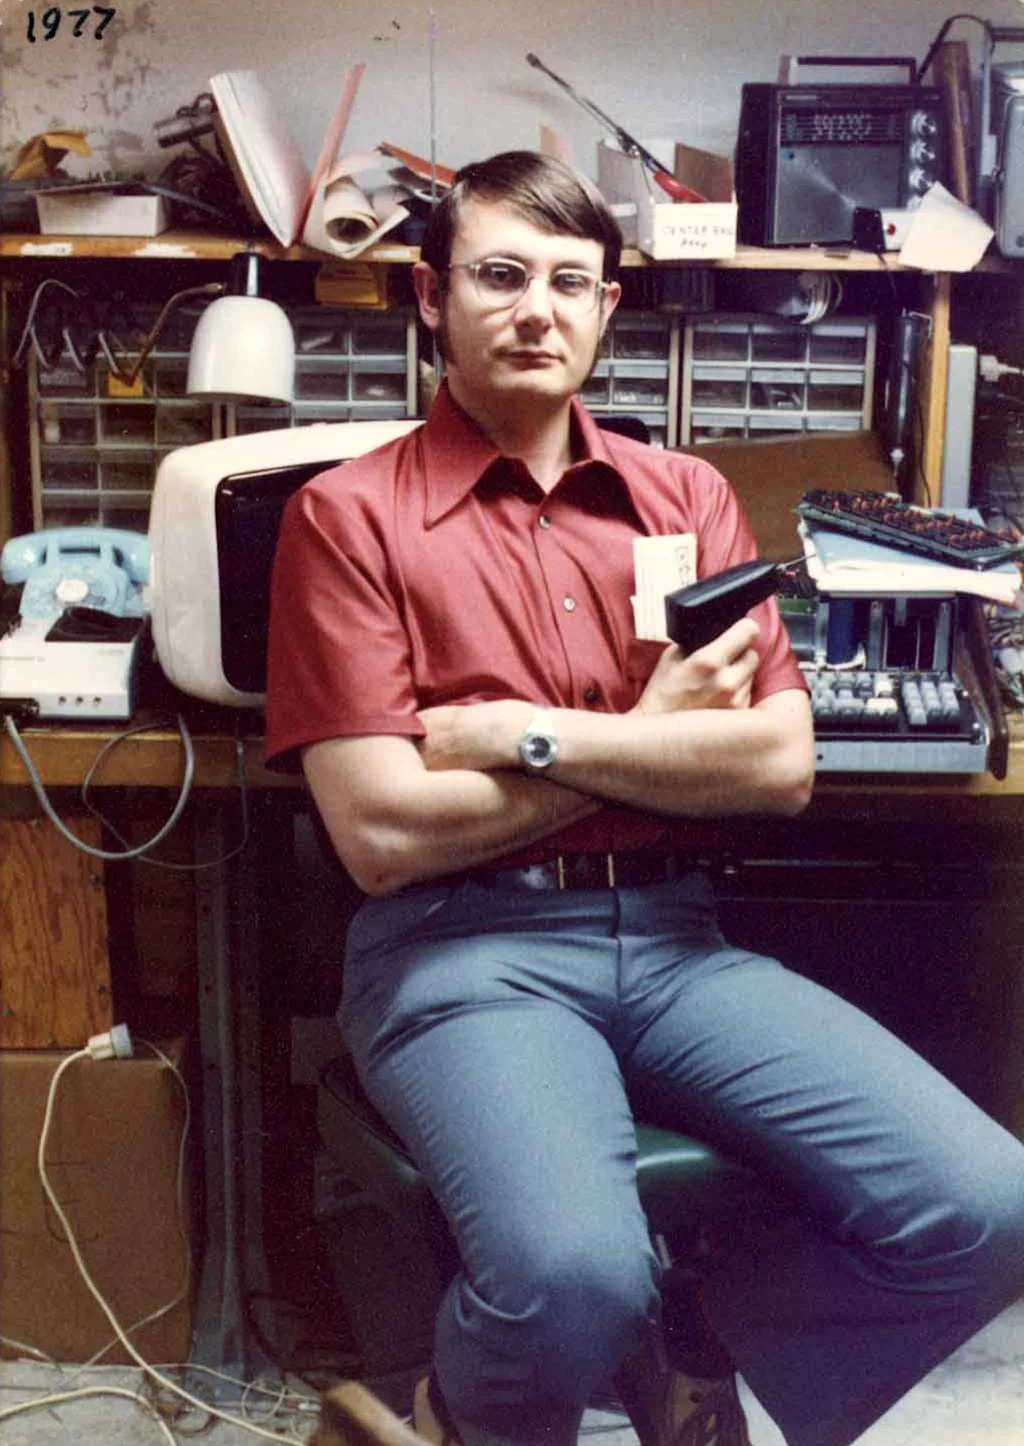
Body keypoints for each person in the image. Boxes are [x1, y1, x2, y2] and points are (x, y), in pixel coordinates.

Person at [264, 151, 1024, 1446]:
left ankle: (697, 1338)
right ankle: (455, 1415)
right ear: (431, 297)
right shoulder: (348, 520)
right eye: (500, 276)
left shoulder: (687, 496)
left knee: (986, 1206)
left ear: (608, 308)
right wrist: (658, 739)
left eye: (571, 282)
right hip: (461, 953)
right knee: (574, 1276)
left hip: (677, 945)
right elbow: (383, 834)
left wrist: (528, 737)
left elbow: (777, 766)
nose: (537, 311)